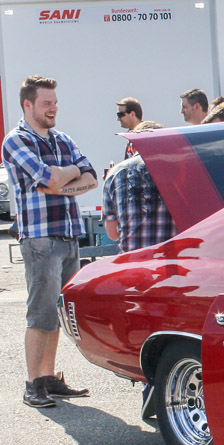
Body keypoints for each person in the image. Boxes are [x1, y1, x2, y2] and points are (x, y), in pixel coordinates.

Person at [2, 75, 97, 408]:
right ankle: (32, 385)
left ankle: (48, 379)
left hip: (69, 234)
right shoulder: (15, 141)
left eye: (55, 102)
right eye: (46, 103)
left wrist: (62, 181)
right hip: (40, 237)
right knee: (40, 314)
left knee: (56, 313)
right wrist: (67, 176)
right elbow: (51, 177)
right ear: (28, 104)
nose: (53, 108)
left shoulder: (62, 139)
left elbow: (91, 178)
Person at [102, 122, 176, 253]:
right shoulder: (177, 169)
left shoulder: (114, 173)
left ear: (132, 146)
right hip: (169, 261)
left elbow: (112, 234)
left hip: (132, 261)